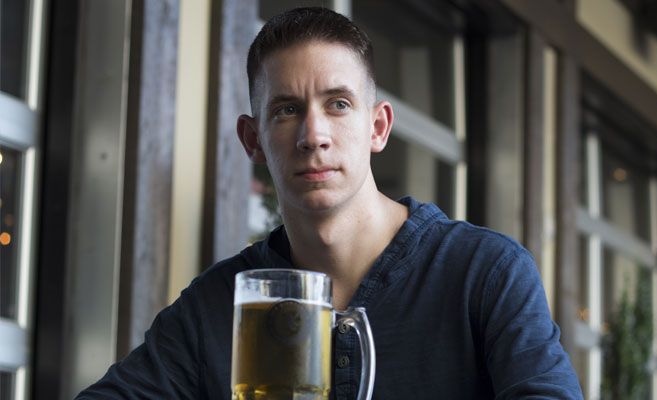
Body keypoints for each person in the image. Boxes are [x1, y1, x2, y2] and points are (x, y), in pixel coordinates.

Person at [77, 6, 581, 400]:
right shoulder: (218, 305)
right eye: (286, 110)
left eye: (338, 104)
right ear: (252, 140)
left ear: (377, 127)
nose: (313, 135)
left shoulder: (485, 272)